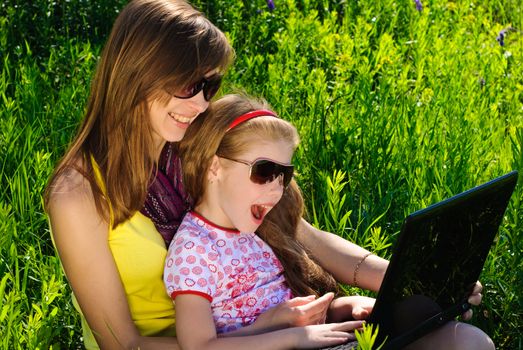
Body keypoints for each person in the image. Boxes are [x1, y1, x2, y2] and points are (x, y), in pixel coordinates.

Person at [44, 0, 492, 349]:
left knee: (467, 342)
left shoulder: (197, 147)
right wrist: (272, 338)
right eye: (188, 85)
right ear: (137, 72)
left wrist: (409, 283)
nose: (201, 105)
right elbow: (122, 344)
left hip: (274, 327)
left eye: (210, 86)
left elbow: (302, 235)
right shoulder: (78, 193)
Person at [164, 94, 368, 349]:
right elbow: (198, 346)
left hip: (313, 341)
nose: (277, 190)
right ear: (215, 166)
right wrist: (291, 337)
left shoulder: (256, 231)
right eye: (264, 171)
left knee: (422, 318)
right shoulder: (193, 250)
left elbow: (295, 316)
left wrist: (344, 306)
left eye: (283, 175)